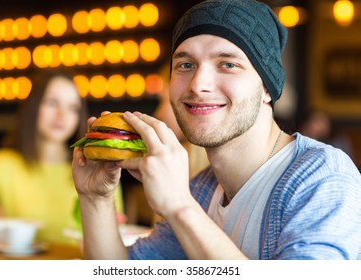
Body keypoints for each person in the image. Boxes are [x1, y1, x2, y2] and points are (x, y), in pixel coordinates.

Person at [72, 0, 361, 259]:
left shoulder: (323, 177)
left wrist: (180, 207)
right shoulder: (203, 188)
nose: (198, 84)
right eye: (185, 64)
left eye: (227, 64)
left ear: (267, 89)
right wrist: (95, 198)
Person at [0, 69, 124, 245]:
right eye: (52, 103)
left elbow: (116, 232)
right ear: (33, 106)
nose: (62, 115)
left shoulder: (95, 168)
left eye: (72, 108)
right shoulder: (4, 163)